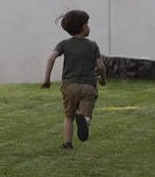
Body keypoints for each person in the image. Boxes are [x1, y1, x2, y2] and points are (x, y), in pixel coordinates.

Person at [40, 9, 107, 150]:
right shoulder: (92, 45)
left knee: (69, 116)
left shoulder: (64, 44)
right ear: (83, 27)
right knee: (85, 112)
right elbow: (100, 66)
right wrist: (102, 79)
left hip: (69, 86)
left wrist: (47, 79)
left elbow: (51, 58)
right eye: (87, 24)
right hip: (88, 86)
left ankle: (67, 143)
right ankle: (84, 119)